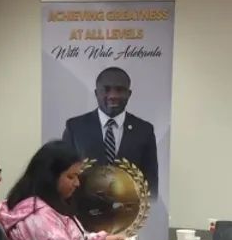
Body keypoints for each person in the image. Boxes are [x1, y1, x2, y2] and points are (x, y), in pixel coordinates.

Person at [0, 141, 139, 240]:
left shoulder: (51, 204)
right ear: (50, 177)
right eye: (71, 177)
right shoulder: (37, 217)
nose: (77, 183)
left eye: (77, 176)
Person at [61, 67, 159, 196]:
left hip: (129, 212)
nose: (113, 96)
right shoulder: (75, 127)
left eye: (120, 90)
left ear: (129, 94)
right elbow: (64, 174)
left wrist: (149, 213)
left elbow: (150, 181)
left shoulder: (144, 130)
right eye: (106, 89)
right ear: (96, 93)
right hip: (83, 211)